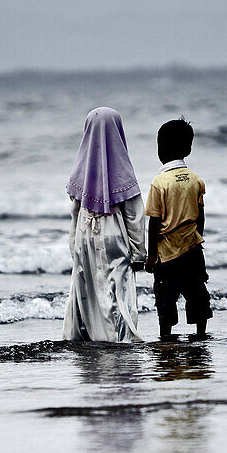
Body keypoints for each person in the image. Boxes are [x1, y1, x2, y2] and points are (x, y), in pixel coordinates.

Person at [62, 108, 147, 343]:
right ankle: (121, 338)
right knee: (118, 290)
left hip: (84, 235)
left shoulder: (81, 168)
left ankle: (87, 336)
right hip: (113, 234)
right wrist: (139, 254)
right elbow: (134, 216)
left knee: (87, 288)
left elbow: (75, 213)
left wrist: (74, 248)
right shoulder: (122, 168)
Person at [145, 118, 212, 341]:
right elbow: (200, 216)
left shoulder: (159, 183)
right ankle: (200, 333)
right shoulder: (196, 180)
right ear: (188, 149)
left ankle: (166, 336)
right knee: (197, 294)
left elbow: (154, 223)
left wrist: (151, 256)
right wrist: (196, 237)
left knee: (166, 298)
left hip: (167, 255)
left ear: (160, 149)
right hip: (193, 249)